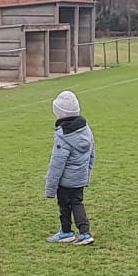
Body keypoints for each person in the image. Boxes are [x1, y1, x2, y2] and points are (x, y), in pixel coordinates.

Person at [45, 89, 96, 245]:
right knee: (77, 203)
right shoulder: (85, 128)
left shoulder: (62, 135)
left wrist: (50, 187)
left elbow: (57, 163)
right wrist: (87, 174)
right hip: (80, 178)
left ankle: (66, 232)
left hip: (66, 181)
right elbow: (92, 153)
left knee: (64, 205)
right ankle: (84, 232)